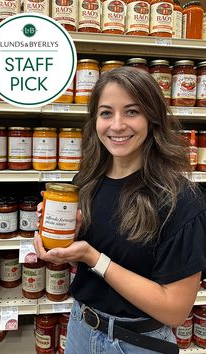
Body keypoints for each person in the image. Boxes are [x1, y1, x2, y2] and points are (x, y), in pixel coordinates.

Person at [34, 67, 206, 354]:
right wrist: (63, 239)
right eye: (105, 113)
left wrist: (93, 257)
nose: (116, 125)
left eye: (131, 112)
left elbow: (175, 311)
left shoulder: (181, 200)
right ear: (95, 121)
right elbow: (80, 256)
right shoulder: (85, 182)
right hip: (80, 328)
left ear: (152, 119)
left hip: (137, 342)